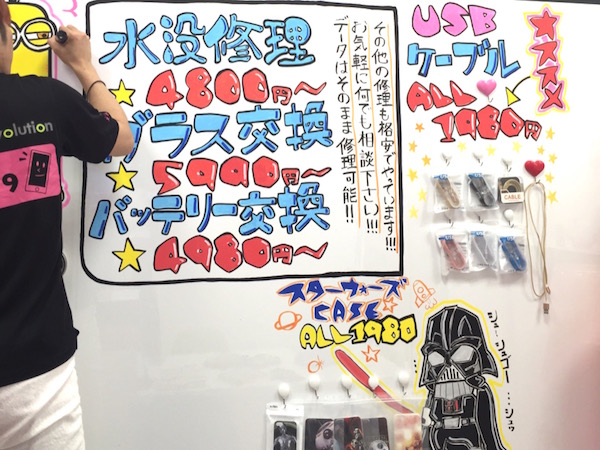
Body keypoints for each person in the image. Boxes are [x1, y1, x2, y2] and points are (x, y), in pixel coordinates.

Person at [0, 0, 134, 447]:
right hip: (35, 375)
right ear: (7, 26)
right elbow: (121, 138)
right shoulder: (44, 100)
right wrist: (84, 68)